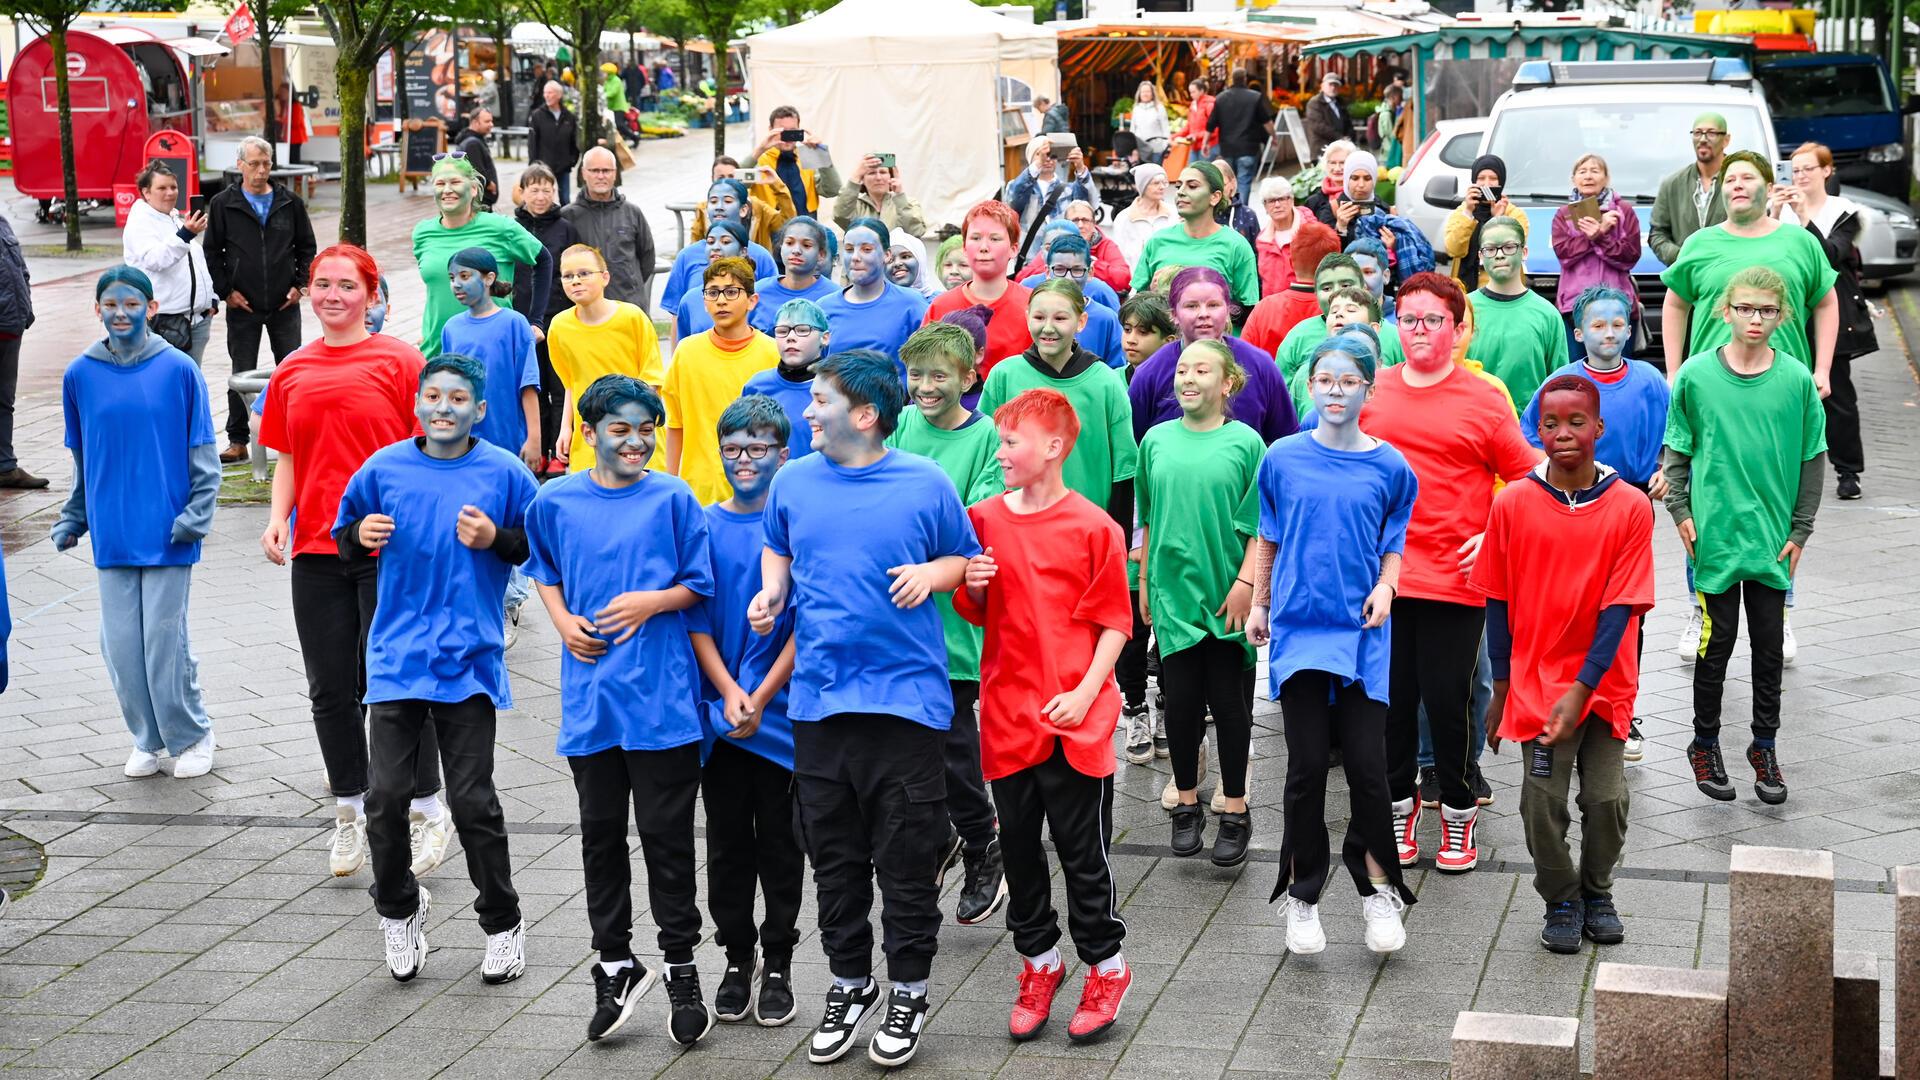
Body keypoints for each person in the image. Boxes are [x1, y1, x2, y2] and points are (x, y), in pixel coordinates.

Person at [748, 350, 979, 1068]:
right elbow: (776, 547)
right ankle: (850, 984)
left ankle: (908, 988)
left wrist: (928, 574)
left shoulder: (923, 482)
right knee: (836, 860)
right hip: (818, 705)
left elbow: (963, 560)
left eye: (820, 399)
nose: (809, 409)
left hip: (906, 707)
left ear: (865, 415)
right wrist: (773, 594)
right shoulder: (793, 481)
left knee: (907, 862)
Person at [523, 374, 718, 1047]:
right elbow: (542, 569)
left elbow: (700, 583)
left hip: (661, 700)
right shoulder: (555, 502)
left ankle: (682, 968)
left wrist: (650, 602)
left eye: (646, 429)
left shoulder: (673, 496)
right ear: (588, 432)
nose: (635, 440)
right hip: (591, 701)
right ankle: (614, 962)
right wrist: (561, 619)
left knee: (667, 841)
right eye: (621, 428)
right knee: (600, 837)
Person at [334, 353, 536, 985]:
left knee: (474, 801)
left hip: (470, 658)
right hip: (396, 655)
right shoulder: (384, 466)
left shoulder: (503, 471)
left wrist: (496, 542)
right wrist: (360, 535)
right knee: (386, 798)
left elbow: (538, 544)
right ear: (417, 405)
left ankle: (502, 923)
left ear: (479, 410)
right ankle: (399, 910)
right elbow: (343, 536)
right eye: (433, 397)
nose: (443, 407)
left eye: (457, 399)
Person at [952, 387, 1135, 1044]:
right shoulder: (985, 519)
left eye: (1010, 442)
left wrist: (1087, 693)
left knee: (1083, 853)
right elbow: (979, 612)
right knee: (1020, 851)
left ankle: (1106, 967)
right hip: (1007, 711)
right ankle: (1039, 963)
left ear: (1054, 447)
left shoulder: (1094, 527)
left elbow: (1117, 619)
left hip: (1072, 717)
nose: (999, 453)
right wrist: (972, 582)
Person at [258, 244, 447, 879]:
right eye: (321, 284)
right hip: (315, 547)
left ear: (371, 295)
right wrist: (276, 518)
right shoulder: (292, 368)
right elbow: (286, 455)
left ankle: (425, 809)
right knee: (330, 688)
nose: (331, 295)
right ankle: (349, 812)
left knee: (392, 680)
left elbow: (428, 450)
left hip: (385, 547)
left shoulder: (399, 361)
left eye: (345, 285)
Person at [1360, 272, 1540, 874]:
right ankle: (1397, 812)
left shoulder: (1484, 398)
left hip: (1457, 582)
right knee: (1388, 702)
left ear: (1457, 327)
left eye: (1432, 320)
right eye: (1408, 319)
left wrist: (1495, 533)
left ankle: (1459, 814)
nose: (1418, 330)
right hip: (1381, 580)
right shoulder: (1373, 390)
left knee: (1450, 703)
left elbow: (1526, 476)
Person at [1250, 330, 1417, 956]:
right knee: (1306, 769)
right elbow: (1267, 534)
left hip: (1364, 632)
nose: (1337, 391)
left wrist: (1387, 587)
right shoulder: (1282, 457)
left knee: (1371, 773)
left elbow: (1395, 538)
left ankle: (1377, 892)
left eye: (1349, 381)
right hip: (1299, 630)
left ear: (1368, 388)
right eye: (1326, 381)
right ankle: (1302, 896)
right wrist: (1261, 601)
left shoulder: (1390, 465)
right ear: (1310, 386)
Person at [1476, 374, 1653, 955]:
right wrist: (1500, 688)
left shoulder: (1629, 506)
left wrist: (1581, 689)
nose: (1563, 434)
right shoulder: (1513, 502)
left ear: (1599, 428)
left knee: (1606, 798)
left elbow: (1621, 607)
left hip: (1602, 684)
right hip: (1536, 685)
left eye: (1576, 422)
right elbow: (1497, 600)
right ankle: (1562, 897)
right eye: (1550, 423)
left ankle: (1598, 890)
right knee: (1540, 800)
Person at [1665, 267, 1825, 807]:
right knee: (1716, 644)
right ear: (1725, 311)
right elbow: (1679, 449)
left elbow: (1813, 456)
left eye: (1767, 310)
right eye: (1745, 308)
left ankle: (1764, 745)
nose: (1755, 319)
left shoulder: (1797, 380)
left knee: (1770, 648)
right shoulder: (1695, 375)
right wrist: (1680, 507)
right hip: (1715, 537)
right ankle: (1704, 741)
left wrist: (1802, 527)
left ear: (1783, 317)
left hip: (1773, 540)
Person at [54, 265, 218, 781]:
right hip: (113, 533)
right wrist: (74, 517)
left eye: (131, 303)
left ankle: (192, 734)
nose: (120, 313)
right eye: (110, 304)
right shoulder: (80, 374)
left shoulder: (178, 369)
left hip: (170, 531)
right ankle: (147, 737)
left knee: (163, 645)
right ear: (98, 309)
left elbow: (204, 453)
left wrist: (197, 514)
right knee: (122, 648)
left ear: (150, 308)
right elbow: (84, 458)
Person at [887, 324, 1009, 927]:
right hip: (895, 617)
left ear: (969, 377)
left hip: (952, 625)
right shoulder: (900, 425)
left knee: (957, 748)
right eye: (917, 375)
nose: (926, 387)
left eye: (940, 375)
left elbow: (971, 521)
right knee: (912, 747)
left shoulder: (985, 437)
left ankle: (983, 840)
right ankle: (939, 840)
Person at [688, 395, 804, 1028]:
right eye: (732, 448)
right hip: (722, 717)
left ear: (784, 455)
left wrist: (760, 697)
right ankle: (737, 958)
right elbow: (696, 622)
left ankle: (779, 960)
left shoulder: (795, 526)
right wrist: (731, 693)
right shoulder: (704, 525)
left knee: (782, 848)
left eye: (758, 448)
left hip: (782, 717)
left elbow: (804, 625)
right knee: (728, 847)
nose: (744, 460)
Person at [1136, 340, 1263, 866]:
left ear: (1226, 383)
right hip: (1172, 594)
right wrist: (1143, 581)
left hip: (1226, 596)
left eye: (1202, 369)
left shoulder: (1247, 444)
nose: (1188, 378)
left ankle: (1234, 806)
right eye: (1182, 369)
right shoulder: (1157, 441)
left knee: (1230, 706)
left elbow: (1261, 526)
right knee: (1180, 703)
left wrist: (1247, 584)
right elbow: (1147, 515)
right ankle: (1185, 802)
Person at [979, 281, 1137, 534]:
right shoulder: (1004, 375)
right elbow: (985, 454)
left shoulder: (1105, 383)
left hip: (1085, 530)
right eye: (1039, 317)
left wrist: (1119, 538)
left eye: (1061, 318)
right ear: (1027, 316)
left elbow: (1124, 468)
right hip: (1014, 529)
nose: (1048, 327)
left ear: (1081, 321)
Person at [206, 136, 317, 464]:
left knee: (290, 369)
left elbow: (306, 246)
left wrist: (300, 285)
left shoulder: (289, 202)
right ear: (239, 165)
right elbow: (212, 251)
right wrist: (226, 291)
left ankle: (291, 434)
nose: (260, 170)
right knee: (242, 370)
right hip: (243, 303)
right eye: (253, 163)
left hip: (285, 303)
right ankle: (238, 439)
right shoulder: (224, 204)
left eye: (266, 163)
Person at [1778, 141, 1877, 500]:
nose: (1800, 175)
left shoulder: (1845, 212)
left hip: (1833, 314)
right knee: (1785, 393)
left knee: (1836, 394)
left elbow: (1830, 256)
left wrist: (1803, 217)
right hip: (1788, 313)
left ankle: (1848, 470)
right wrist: (1775, 214)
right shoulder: (1779, 212)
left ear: (1826, 171)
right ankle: (1788, 466)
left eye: (1808, 168)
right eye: (1795, 169)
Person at [1129, 266, 1300, 446]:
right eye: (1192, 306)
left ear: (1228, 311)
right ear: (1174, 315)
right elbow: (1135, 447)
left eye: (1213, 305)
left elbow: (1285, 441)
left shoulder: (1260, 365)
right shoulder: (1150, 374)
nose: (1204, 314)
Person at [665, 256, 780, 506]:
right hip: (699, 491)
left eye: (731, 292)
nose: (721, 300)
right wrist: (670, 484)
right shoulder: (686, 353)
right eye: (713, 292)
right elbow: (675, 425)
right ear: (704, 302)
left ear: (752, 300)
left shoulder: (773, 353)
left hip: (759, 491)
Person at [412, 155, 550, 359]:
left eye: (456, 182)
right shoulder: (423, 232)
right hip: (438, 350)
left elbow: (544, 260)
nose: (447, 189)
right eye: (440, 183)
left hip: (493, 350)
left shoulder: (500, 227)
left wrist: (536, 321)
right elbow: (437, 291)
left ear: (474, 189)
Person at [547, 245, 664, 473]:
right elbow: (570, 385)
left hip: (635, 434)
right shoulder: (559, 328)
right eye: (568, 276)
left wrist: (629, 427)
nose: (575, 281)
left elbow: (652, 382)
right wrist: (565, 429)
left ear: (605, 277)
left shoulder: (632, 318)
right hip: (590, 437)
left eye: (584, 273)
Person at [511, 163, 580, 474]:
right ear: (522, 193)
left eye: (547, 190)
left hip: (559, 320)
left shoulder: (565, 228)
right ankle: (535, 448)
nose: (541, 196)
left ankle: (558, 450)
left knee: (560, 385)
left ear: (556, 193)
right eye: (534, 189)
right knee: (531, 386)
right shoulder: (510, 229)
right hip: (521, 321)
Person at [1467, 216, 1571, 408]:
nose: (1499, 255)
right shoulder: (1465, 309)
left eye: (1508, 247)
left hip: (1528, 431)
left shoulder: (1547, 315)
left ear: (1524, 252)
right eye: (1490, 249)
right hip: (1474, 426)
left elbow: (1560, 383)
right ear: (1481, 256)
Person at [923, 200, 1034, 380]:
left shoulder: (1032, 306)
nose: (983, 247)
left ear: (1013, 249)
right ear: (965, 248)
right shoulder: (941, 306)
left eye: (995, 238)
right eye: (975, 238)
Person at [1129, 162, 1260, 309]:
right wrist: (1154, 295)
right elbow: (1137, 303)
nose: (1180, 192)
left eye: (1192, 186)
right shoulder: (1157, 241)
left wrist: (1206, 303)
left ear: (1215, 197)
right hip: (1167, 332)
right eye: (1178, 186)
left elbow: (1249, 309)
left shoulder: (1236, 245)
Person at [123, 162, 217, 367]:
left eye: (173, 187)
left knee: (189, 384)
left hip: (196, 319)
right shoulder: (141, 221)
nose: (170, 193)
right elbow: (156, 259)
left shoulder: (172, 217)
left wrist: (211, 300)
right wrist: (186, 234)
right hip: (164, 322)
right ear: (146, 193)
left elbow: (195, 261)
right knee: (166, 383)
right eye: (162, 188)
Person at [1551, 154, 1641, 357]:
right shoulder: (1563, 213)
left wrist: (1600, 238)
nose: (1588, 176)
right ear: (1574, 179)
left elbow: (1630, 256)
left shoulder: (1623, 211)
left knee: (1619, 366)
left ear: (1606, 178)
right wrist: (1597, 233)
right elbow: (1563, 254)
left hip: (1617, 304)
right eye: (1582, 172)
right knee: (1577, 370)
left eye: (1595, 170)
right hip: (1575, 305)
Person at [661, 179, 781, 325]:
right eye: (713, 201)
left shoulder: (760, 256)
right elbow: (677, 315)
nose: (719, 207)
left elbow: (772, 306)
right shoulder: (687, 256)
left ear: (743, 210)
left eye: (728, 201)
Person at [820, 218, 930, 362]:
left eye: (866, 249)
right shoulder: (824, 307)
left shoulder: (912, 304)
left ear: (887, 255)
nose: (855, 257)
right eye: (849, 249)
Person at [562, 146, 656, 309]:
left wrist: (630, 281)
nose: (600, 176)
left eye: (606, 171)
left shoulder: (632, 213)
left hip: (628, 305)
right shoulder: (568, 216)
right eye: (594, 170)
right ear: (584, 173)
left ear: (615, 174)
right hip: (585, 309)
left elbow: (647, 258)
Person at [743, 299, 830, 461]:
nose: (791, 337)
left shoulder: (838, 388)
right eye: (782, 331)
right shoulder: (756, 387)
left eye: (802, 330)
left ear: (824, 338)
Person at [1242, 222, 1344, 355]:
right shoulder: (1343, 309)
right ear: (1335, 265)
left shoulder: (1264, 308)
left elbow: (1243, 360)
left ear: (1291, 262)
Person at [1649, 111, 1729, 265]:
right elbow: (1657, 233)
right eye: (1698, 133)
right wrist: (1682, 257)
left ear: (1726, 140)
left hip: (1730, 278)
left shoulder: (1739, 181)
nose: (1703, 139)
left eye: (1711, 133)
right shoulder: (1672, 184)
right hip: (1685, 279)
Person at [1033, 234, 1125, 366]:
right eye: (1059, 269)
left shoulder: (1107, 319)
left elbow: (1116, 370)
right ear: (1047, 272)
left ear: (1090, 272)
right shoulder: (1035, 315)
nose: (1069, 278)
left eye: (1077, 270)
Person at [1444, 154, 1527, 293]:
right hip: (1465, 293)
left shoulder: (1514, 214)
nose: (1487, 183)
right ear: (1473, 181)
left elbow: (1511, 252)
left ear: (1502, 181)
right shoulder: (1462, 212)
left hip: (1504, 290)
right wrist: (1468, 213)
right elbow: (1453, 249)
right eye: (1481, 178)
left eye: (1493, 178)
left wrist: (1497, 219)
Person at [752, 218, 838, 337]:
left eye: (806, 245)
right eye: (789, 243)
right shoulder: (758, 291)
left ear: (821, 254)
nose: (796, 251)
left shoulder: (835, 296)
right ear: (781, 247)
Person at [0, 214, 37, 489]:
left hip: (11, 326)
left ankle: (5, 467)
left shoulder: (2, 222)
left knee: (4, 401)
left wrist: (26, 310)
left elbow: (20, 269)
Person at [755, 105, 843, 218]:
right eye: (782, 132)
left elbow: (833, 190)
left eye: (792, 131)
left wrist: (821, 153)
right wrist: (758, 151)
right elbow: (734, 183)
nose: (787, 137)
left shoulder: (806, 156)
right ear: (770, 130)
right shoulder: (761, 160)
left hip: (807, 227)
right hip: (771, 229)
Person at [699, 156, 798, 251]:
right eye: (721, 177)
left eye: (731, 177)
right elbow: (695, 247)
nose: (726, 182)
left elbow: (787, 222)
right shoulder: (703, 209)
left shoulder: (758, 207)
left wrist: (777, 185)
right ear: (712, 178)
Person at [677, 222, 754, 342]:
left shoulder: (757, 294)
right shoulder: (689, 299)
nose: (716, 247)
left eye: (726, 242)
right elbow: (680, 347)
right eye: (710, 242)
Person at [1206, 68, 1274, 202]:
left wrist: (1205, 142)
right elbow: (1266, 121)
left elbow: (1211, 123)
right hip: (1248, 147)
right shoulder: (1255, 97)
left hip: (1227, 148)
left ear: (1232, 79)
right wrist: (1274, 136)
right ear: (1245, 79)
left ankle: (1228, 208)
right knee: (1244, 180)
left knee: (1227, 180)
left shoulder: (1220, 98)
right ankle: (1241, 212)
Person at [1008, 137, 1094, 241]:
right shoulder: (1017, 186)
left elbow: (1087, 205)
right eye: (1040, 154)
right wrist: (1038, 164)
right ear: (1031, 159)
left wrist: (1080, 167)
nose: (1047, 158)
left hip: (1060, 253)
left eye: (1051, 154)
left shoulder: (1068, 189)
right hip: (1029, 255)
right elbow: (1013, 204)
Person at [834, 155, 928, 239]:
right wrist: (854, 178)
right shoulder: (856, 205)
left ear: (891, 176)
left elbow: (914, 232)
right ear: (862, 179)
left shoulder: (908, 203)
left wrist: (900, 196)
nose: (878, 178)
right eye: (871, 173)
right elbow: (840, 216)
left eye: (883, 172)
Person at [1110, 164, 1176, 269]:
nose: (1162, 187)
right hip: (1135, 278)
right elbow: (1119, 255)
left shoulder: (1173, 213)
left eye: (1164, 182)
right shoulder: (1124, 218)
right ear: (1142, 186)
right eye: (1156, 183)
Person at [1063, 200, 1133, 298]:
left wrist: (1091, 263)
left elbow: (1124, 279)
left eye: (1085, 220)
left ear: (1094, 223)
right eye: (1075, 220)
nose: (1080, 225)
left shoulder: (1105, 245)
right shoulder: (1055, 245)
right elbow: (1034, 275)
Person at [528, 81, 581, 205]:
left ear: (559, 95)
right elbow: (532, 142)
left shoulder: (569, 116)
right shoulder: (537, 116)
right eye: (545, 93)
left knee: (565, 200)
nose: (546, 96)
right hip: (544, 166)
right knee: (545, 199)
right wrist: (533, 164)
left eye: (550, 93)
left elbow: (574, 141)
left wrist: (572, 160)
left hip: (564, 165)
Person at [1254, 178, 1301, 296]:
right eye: (1271, 201)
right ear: (1265, 206)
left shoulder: (1310, 231)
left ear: (1291, 200)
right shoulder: (1263, 241)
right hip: (1274, 308)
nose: (1277, 205)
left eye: (1281, 199)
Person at [1211, 157, 1262, 249]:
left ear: (1233, 183)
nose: (1218, 191)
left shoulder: (1248, 215)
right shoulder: (1203, 215)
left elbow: (1257, 250)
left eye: (1222, 184)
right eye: (1213, 186)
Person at [454, 109, 501, 208]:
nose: (491, 124)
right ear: (475, 123)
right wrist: (489, 184)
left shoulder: (473, 140)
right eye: (487, 121)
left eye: (491, 121)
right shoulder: (472, 144)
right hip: (479, 201)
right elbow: (476, 172)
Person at [1305, 140, 1355, 227]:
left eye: (1342, 163)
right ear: (1326, 165)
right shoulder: (1313, 202)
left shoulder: (1362, 196)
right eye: (1332, 163)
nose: (1337, 168)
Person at [1304, 72, 1350, 159]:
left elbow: (1348, 122)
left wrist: (1349, 137)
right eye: (1330, 85)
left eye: (1336, 85)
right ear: (1322, 86)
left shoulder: (1341, 102)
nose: (1333, 88)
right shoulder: (1314, 103)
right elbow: (1319, 126)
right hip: (1322, 149)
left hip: (1340, 150)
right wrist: (1340, 138)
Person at [888, 233, 943, 300]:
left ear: (921, 260)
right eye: (890, 260)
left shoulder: (941, 302)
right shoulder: (878, 305)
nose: (897, 263)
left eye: (905, 257)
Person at [1171, 76, 1215, 159]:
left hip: (1208, 146)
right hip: (1194, 146)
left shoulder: (1209, 104)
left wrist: (1196, 136)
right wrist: (1174, 136)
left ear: (1201, 91)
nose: (1191, 95)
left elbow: (1214, 129)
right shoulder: (1193, 105)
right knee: (1193, 170)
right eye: (1190, 92)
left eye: (1193, 92)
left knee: (1202, 171)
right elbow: (1188, 127)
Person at [1130, 81, 1171, 163]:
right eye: (1143, 92)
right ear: (1139, 94)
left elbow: (1165, 128)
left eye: (1148, 91)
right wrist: (1133, 148)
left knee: (1155, 174)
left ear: (1152, 93)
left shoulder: (1159, 108)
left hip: (1156, 150)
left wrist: (1166, 146)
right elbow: (1133, 129)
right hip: (1140, 150)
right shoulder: (1136, 109)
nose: (1145, 94)